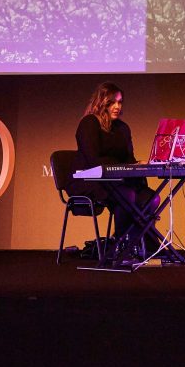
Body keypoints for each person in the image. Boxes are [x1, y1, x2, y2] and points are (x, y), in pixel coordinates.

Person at [66, 82, 159, 253]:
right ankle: (121, 245)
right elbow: (93, 160)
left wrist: (138, 165)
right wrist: (121, 169)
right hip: (90, 180)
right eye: (112, 103)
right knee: (127, 195)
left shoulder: (123, 128)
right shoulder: (89, 123)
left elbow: (129, 159)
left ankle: (141, 245)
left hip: (118, 180)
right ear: (102, 103)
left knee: (151, 198)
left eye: (120, 102)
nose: (117, 106)